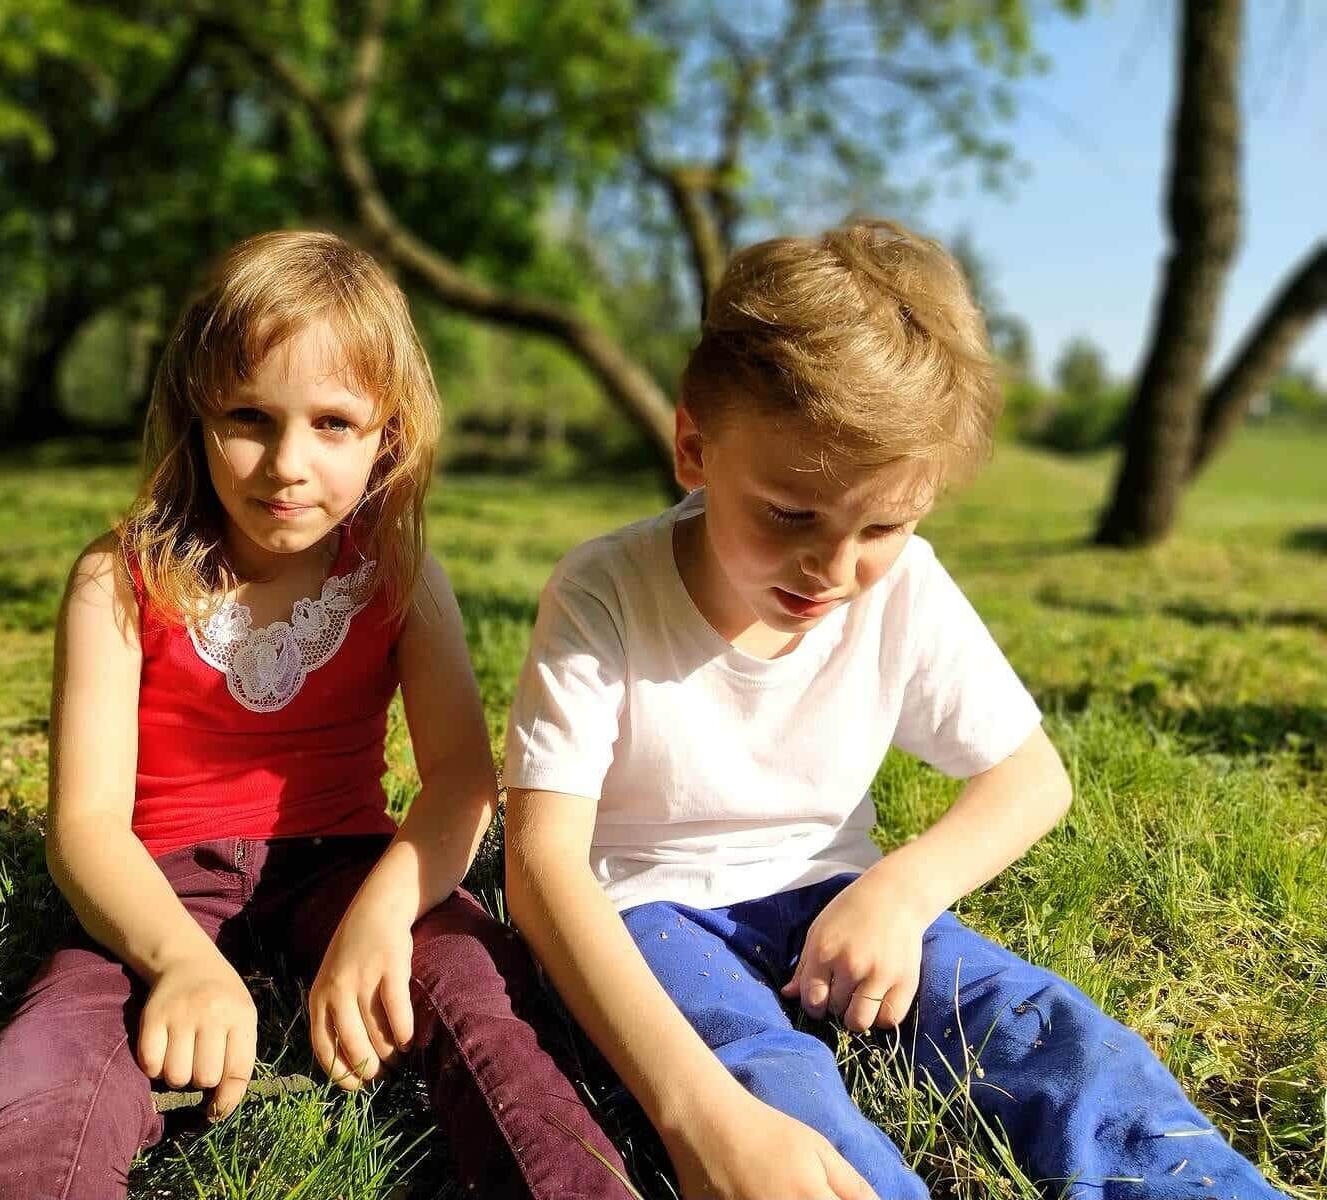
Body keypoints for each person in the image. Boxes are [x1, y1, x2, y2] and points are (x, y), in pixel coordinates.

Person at [502, 219, 1286, 1199]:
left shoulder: (899, 584)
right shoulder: (603, 592)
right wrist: (701, 1112)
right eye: (790, 514)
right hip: (646, 910)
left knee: (1050, 1035)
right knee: (774, 1087)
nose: (833, 570)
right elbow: (541, 864)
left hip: (834, 892)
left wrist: (901, 892)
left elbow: (1028, 777)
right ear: (693, 445)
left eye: (882, 523)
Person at [0, 230, 633, 1200]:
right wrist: (178, 961)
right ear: (193, 411)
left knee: (485, 1000)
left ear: (387, 433)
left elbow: (459, 782)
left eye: (332, 424)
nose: (286, 463)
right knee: (52, 1057)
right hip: (156, 881)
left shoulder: (397, 573)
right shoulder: (120, 577)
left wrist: (385, 914)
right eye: (248, 417)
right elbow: (86, 825)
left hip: (349, 861)